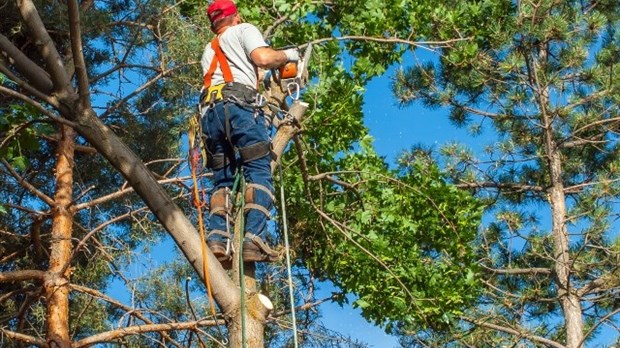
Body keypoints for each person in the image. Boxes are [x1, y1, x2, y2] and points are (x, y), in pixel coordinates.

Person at [200, 0, 298, 264]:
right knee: (258, 171)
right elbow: (263, 58)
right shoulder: (243, 30)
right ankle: (253, 240)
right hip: (240, 110)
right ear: (236, 16)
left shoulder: (209, 50)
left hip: (210, 116)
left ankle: (218, 240)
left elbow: (238, 73)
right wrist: (289, 55)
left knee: (222, 181)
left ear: (214, 23)